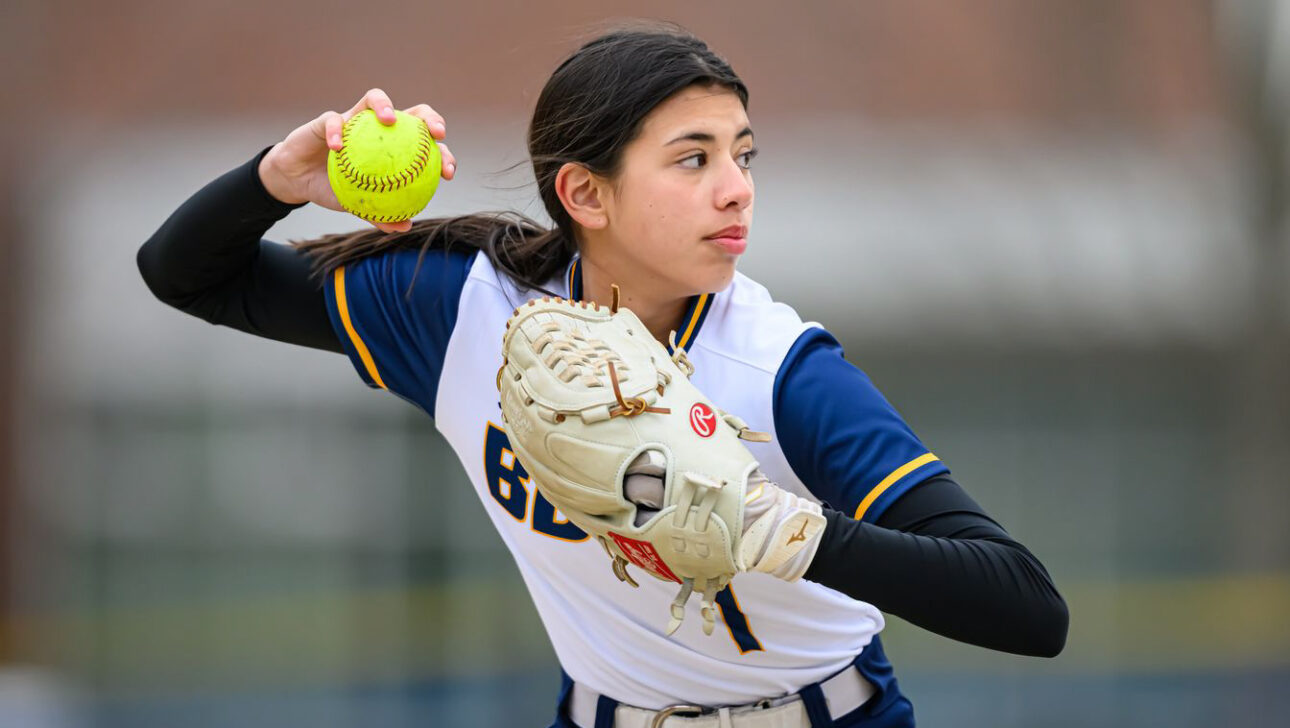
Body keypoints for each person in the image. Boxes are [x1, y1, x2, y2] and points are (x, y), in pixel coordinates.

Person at [137, 24, 1067, 728]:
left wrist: (781, 533)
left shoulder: (777, 369)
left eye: (743, 154)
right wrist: (277, 179)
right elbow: (184, 273)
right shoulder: (465, 310)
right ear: (585, 192)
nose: (737, 186)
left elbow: (1026, 605)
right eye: (692, 159)